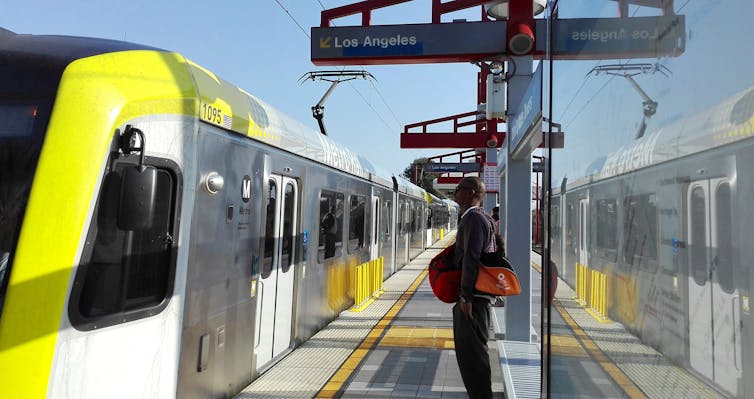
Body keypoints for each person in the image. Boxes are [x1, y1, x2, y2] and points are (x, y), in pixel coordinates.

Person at [452, 176, 496, 399]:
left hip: (474, 299)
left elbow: (471, 257)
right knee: (473, 356)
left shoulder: (473, 219)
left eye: (458, 189)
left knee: (472, 357)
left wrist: (466, 297)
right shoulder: (482, 218)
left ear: (470, 193)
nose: (455, 193)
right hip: (478, 297)